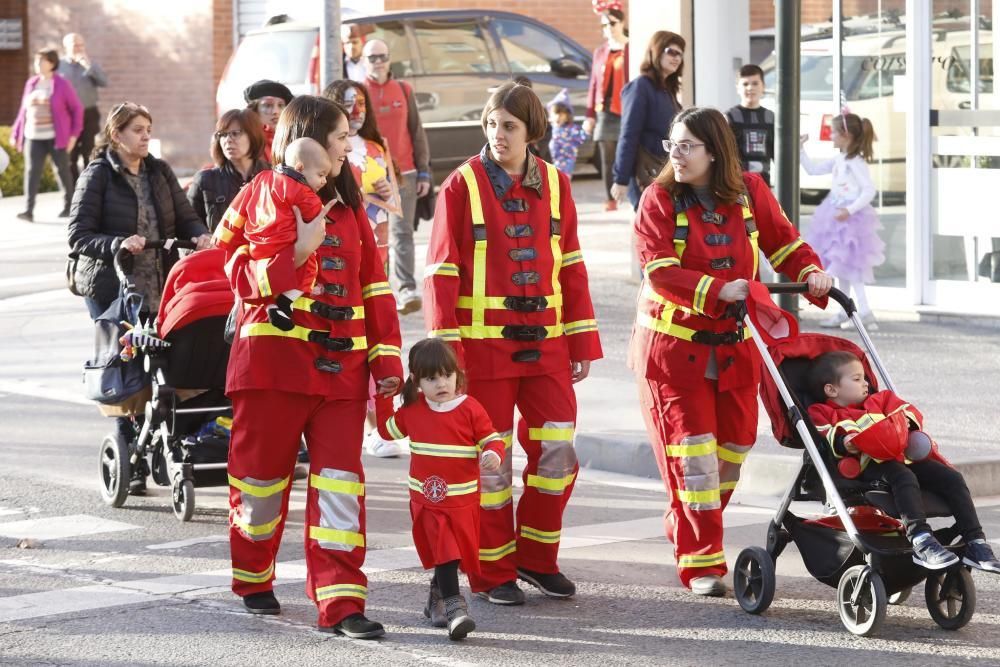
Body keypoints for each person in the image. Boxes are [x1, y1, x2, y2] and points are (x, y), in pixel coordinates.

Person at [213, 95, 403, 639]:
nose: (349, 146)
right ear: (311, 139)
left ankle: (341, 601)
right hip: (273, 368)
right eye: (342, 137)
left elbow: (376, 290)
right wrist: (293, 253)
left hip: (341, 373)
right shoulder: (256, 196)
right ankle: (253, 578)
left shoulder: (351, 210)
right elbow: (233, 272)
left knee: (342, 487)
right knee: (259, 484)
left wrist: (385, 359)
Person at [629, 107, 833, 597]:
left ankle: (688, 525)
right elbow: (657, 269)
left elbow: (784, 242)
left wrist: (811, 274)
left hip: (737, 351)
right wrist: (716, 290)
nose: (674, 155)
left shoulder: (750, 191)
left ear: (714, 152)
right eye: (671, 145)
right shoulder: (658, 199)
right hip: (674, 355)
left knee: (734, 450)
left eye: (686, 146)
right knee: (694, 460)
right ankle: (701, 561)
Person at [425, 81, 603, 605]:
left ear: (531, 131)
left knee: (558, 454)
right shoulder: (461, 185)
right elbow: (441, 271)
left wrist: (580, 342)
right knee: (491, 465)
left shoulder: (556, 182)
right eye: (491, 124)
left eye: (509, 126)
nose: (497, 135)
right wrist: (445, 352)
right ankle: (492, 571)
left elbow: (570, 265)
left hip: (547, 347)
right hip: (480, 352)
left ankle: (537, 557)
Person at [67, 102, 211, 489]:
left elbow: (184, 216)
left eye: (148, 128)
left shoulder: (159, 171)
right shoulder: (98, 175)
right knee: (126, 371)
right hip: (112, 287)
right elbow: (78, 234)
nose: (146, 136)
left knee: (162, 370)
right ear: (117, 135)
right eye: (137, 130)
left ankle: (162, 443)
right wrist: (118, 243)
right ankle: (130, 456)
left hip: (159, 285)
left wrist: (199, 233)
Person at [808, 350, 1000, 572]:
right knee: (902, 476)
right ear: (832, 389)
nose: (866, 383)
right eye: (857, 379)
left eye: (865, 377)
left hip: (902, 456)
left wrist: (906, 427)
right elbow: (823, 434)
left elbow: (909, 412)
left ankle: (975, 541)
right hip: (867, 465)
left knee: (951, 477)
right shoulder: (823, 412)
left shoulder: (880, 400)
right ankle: (920, 538)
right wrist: (844, 441)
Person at [373, 338, 506, 640]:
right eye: (431, 378)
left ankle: (436, 596)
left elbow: (491, 438)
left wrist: (493, 454)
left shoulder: (470, 408)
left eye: (447, 375)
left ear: (457, 375)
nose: (441, 383)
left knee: (454, 554)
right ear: (417, 381)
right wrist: (384, 398)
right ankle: (455, 610)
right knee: (445, 551)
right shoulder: (413, 410)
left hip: (463, 499)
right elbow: (386, 431)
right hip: (427, 500)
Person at [323, 79, 407, 460]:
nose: (355, 111)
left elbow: (392, 194)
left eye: (359, 104)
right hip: (337, 257)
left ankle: (382, 424)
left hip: (377, 248)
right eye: (345, 105)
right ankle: (363, 424)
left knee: (380, 333)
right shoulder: (325, 152)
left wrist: (389, 191)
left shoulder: (376, 147)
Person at [230, 137, 331, 331]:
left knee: (268, 280)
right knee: (310, 265)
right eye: (321, 175)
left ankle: (270, 304)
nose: (324, 181)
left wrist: (223, 238)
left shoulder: (262, 178)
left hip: (257, 247)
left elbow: (237, 212)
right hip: (283, 247)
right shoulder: (304, 193)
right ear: (300, 168)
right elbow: (316, 217)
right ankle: (285, 303)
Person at [363, 38, 432, 315]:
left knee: (402, 233)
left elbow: (417, 131)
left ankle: (406, 289)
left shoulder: (404, 89)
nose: (378, 62)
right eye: (372, 58)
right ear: (364, 61)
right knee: (374, 234)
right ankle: (378, 291)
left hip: (406, 172)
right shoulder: (358, 92)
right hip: (371, 173)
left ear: (390, 59)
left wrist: (424, 170)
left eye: (382, 56)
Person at [801, 113, 884, 329]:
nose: (831, 136)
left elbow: (869, 190)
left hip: (851, 222)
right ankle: (847, 311)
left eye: (834, 131)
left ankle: (864, 311)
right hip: (836, 217)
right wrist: (801, 149)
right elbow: (812, 169)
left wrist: (850, 209)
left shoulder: (855, 162)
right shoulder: (840, 159)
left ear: (846, 135)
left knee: (848, 268)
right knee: (844, 269)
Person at [611, 31, 684, 211]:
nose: (676, 57)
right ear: (656, 51)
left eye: (680, 53)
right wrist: (621, 179)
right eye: (671, 52)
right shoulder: (640, 87)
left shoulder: (668, 90)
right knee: (645, 225)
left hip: (664, 172)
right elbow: (628, 134)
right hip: (643, 173)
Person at [11, 48, 83, 222]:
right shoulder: (31, 83)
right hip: (33, 136)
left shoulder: (61, 84)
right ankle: (28, 210)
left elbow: (77, 109)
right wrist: (16, 133)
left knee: (62, 171)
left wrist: (73, 135)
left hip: (55, 137)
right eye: (36, 61)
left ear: (51, 63)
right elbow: (23, 111)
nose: (38, 64)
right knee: (31, 172)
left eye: (41, 61)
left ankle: (70, 207)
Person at [187, 109, 269, 232]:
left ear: (253, 135)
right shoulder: (205, 180)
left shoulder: (273, 176)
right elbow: (189, 226)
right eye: (223, 135)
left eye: (235, 133)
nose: (228, 140)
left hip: (263, 250)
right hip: (221, 250)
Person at [583, 2, 629, 211]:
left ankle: (632, 191)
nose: (608, 28)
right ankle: (610, 199)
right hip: (605, 110)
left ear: (621, 22)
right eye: (604, 25)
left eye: (611, 23)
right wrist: (589, 115)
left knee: (629, 152)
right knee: (607, 158)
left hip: (628, 109)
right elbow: (593, 84)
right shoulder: (600, 51)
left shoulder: (631, 48)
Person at [59, 33, 108, 184]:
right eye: (75, 45)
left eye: (81, 45)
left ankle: (90, 188)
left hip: (89, 114)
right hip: (67, 116)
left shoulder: (91, 64)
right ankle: (73, 192)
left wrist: (88, 66)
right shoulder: (59, 67)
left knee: (90, 152)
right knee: (70, 156)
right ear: (66, 47)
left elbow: (104, 82)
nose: (79, 48)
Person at [725, 64, 774, 186]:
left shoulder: (770, 117)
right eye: (745, 84)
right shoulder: (729, 117)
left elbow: (778, 155)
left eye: (755, 83)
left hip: (763, 184)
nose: (750, 88)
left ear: (763, 86)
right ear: (737, 88)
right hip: (737, 184)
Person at [243, 79, 293, 164]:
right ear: (254, 110)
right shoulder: (246, 141)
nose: (275, 111)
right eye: (267, 105)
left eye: (281, 105)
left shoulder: (293, 139)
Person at [547, 89, 588, 178]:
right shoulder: (553, 127)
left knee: (563, 184)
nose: (558, 117)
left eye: (561, 115)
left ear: (567, 117)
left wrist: (586, 130)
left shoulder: (570, 129)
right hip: (554, 162)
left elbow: (580, 137)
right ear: (551, 115)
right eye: (555, 114)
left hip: (566, 164)